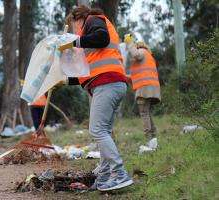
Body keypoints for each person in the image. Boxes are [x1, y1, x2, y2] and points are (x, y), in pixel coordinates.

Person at [58, 5, 133, 191]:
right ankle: (106, 174)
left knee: (97, 130)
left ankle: (119, 173)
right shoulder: (92, 33)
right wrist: (64, 81)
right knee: (103, 131)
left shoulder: (94, 19)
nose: (75, 31)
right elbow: (87, 73)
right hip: (111, 83)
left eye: (73, 26)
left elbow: (101, 38)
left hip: (107, 84)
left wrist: (74, 43)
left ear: (78, 18)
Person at [124, 34, 161, 148]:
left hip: (144, 88)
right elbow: (137, 76)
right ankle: (153, 138)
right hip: (152, 88)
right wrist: (123, 76)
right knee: (147, 112)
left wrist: (129, 42)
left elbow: (135, 54)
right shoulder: (149, 56)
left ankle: (149, 139)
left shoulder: (141, 52)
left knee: (144, 113)